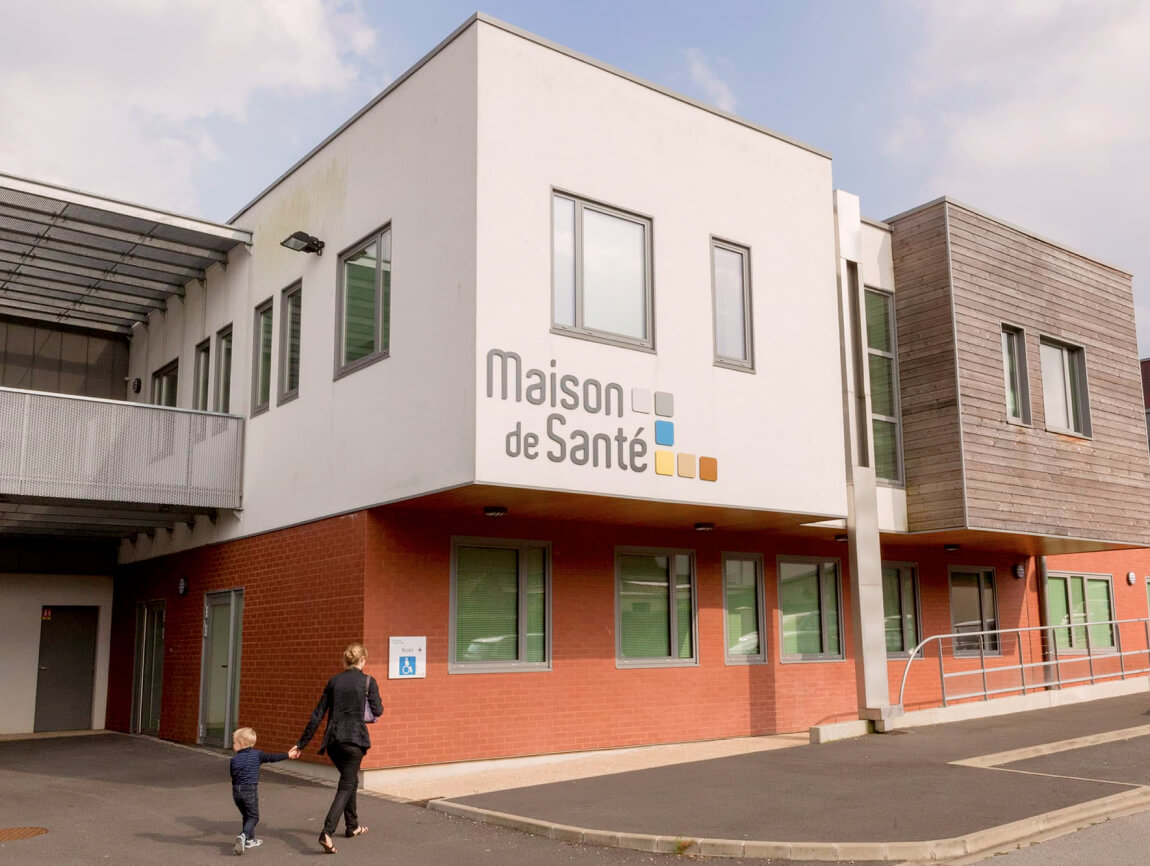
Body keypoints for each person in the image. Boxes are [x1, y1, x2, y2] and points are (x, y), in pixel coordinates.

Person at [292, 642, 383, 854]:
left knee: (350, 780)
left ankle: (352, 826)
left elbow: (317, 714)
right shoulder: (369, 682)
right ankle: (327, 831)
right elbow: (378, 710)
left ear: (345, 661)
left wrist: (301, 744)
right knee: (347, 783)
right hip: (354, 742)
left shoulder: (334, 681)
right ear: (363, 661)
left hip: (333, 741)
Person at [229, 726, 295, 855]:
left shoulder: (234, 760)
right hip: (250, 790)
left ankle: (250, 839)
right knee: (253, 816)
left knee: (246, 815)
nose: (233, 745)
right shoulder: (257, 755)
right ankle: (243, 836)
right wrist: (288, 754)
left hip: (236, 791)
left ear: (241, 744)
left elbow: (233, 775)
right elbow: (272, 757)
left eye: (234, 743)